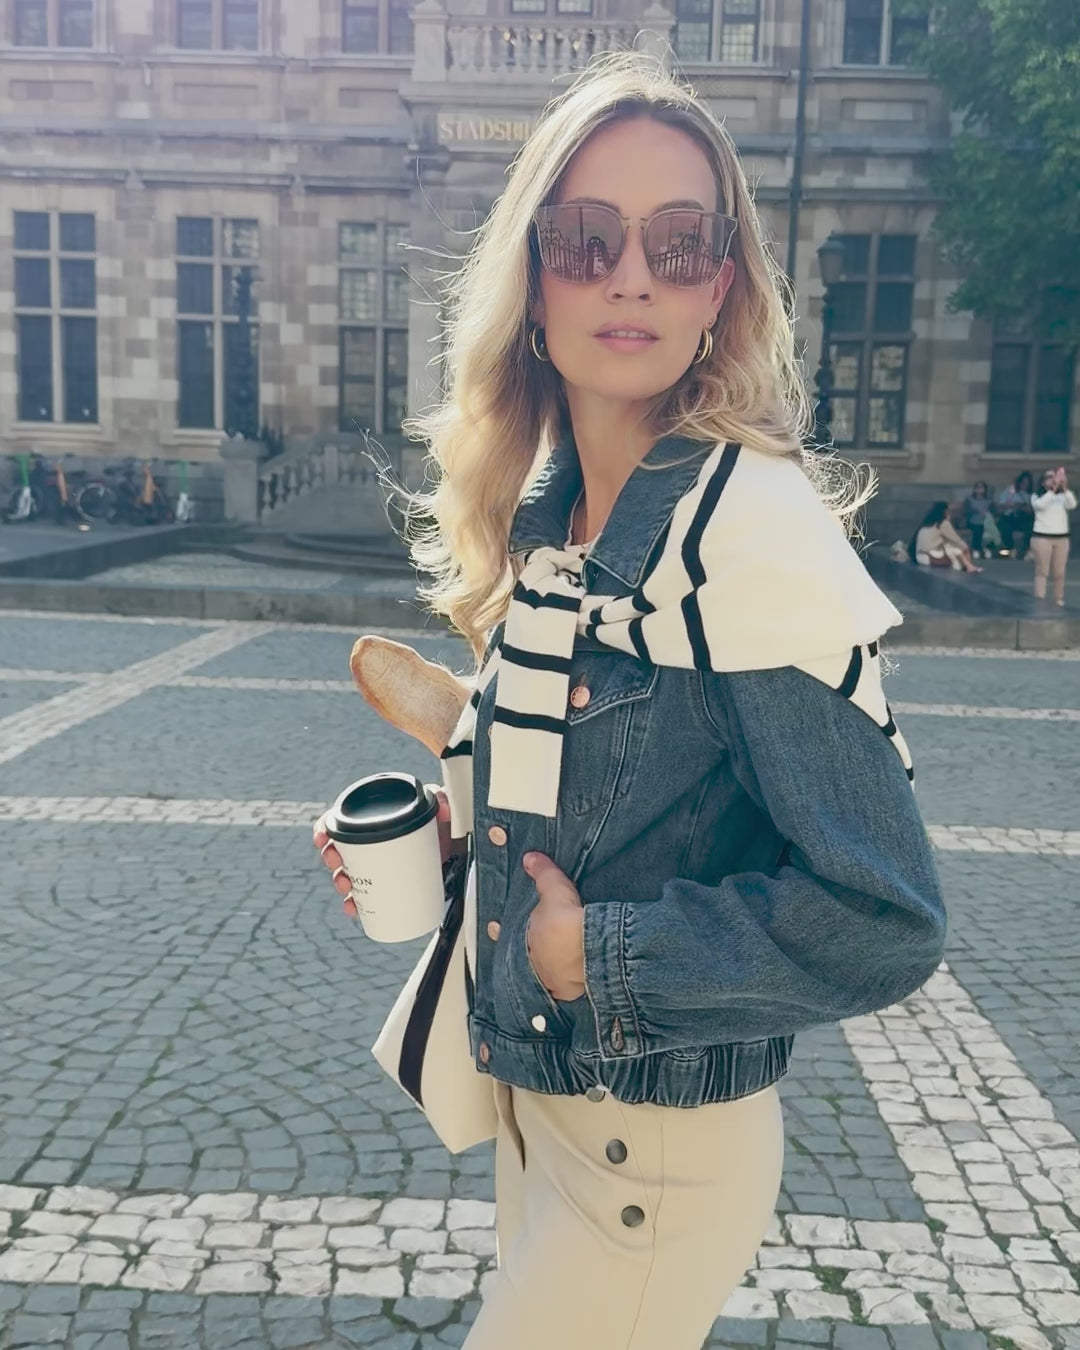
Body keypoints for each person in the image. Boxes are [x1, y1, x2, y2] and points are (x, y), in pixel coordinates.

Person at [315, 54, 945, 1350]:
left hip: (653, 1158)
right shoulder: (557, 521)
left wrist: (595, 957)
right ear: (534, 279)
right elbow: (619, 804)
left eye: (679, 242)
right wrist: (463, 838)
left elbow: (886, 915)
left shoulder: (747, 533)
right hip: (544, 1119)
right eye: (587, 238)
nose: (633, 276)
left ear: (722, 286)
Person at [1029, 467, 1075, 606]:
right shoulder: (1037, 496)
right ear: (1043, 482)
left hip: (1062, 538)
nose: (1053, 480)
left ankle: (1058, 598)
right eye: (1049, 477)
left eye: (1054, 477)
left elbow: (1072, 504)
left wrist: (1064, 488)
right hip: (1042, 537)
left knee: (1059, 572)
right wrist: (1052, 490)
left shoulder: (1062, 496)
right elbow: (1040, 506)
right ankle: (1040, 598)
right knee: (1042, 570)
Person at [909, 501, 984, 573]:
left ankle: (969, 566)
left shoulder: (927, 524)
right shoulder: (943, 523)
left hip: (920, 557)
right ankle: (969, 566)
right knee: (953, 547)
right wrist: (966, 548)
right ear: (945, 512)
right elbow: (955, 539)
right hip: (930, 556)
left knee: (948, 544)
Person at [997, 471, 1035, 558]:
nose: (1024, 485)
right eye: (1023, 482)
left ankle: (1025, 551)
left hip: (1023, 517)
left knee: (1030, 525)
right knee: (1004, 525)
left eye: (1027, 483)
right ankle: (1010, 549)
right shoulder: (1009, 491)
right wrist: (1012, 505)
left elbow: (1031, 511)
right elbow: (1000, 506)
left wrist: (1022, 507)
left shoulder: (1030, 495)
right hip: (1009, 516)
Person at [963, 480, 995, 558]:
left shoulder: (989, 500)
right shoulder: (969, 499)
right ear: (974, 489)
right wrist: (976, 511)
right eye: (977, 487)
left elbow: (994, 511)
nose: (979, 489)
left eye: (981, 487)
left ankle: (988, 549)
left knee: (992, 530)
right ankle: (976, 549)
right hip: (972, 521)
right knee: (978, 528)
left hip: (985, 521)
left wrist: (987, 512)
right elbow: (966, 511)